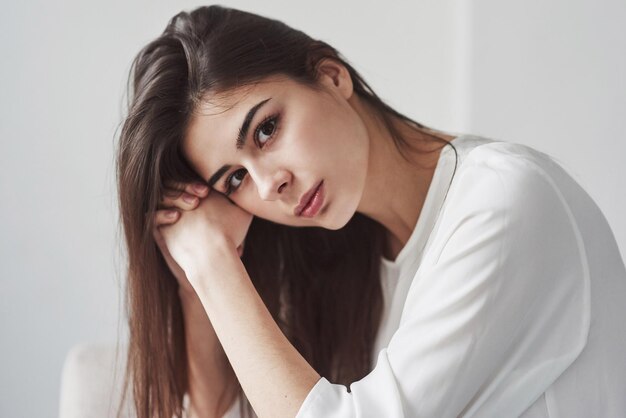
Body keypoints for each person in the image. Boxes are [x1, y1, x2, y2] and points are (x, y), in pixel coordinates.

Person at [115, 5, 626, 418]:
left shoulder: (505, 202)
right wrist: (193, 281)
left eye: (267, 129)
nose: (271, 185)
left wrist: (212, 263)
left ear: (331, 76)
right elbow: (222, 410)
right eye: (235, 178)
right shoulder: (347, 254)